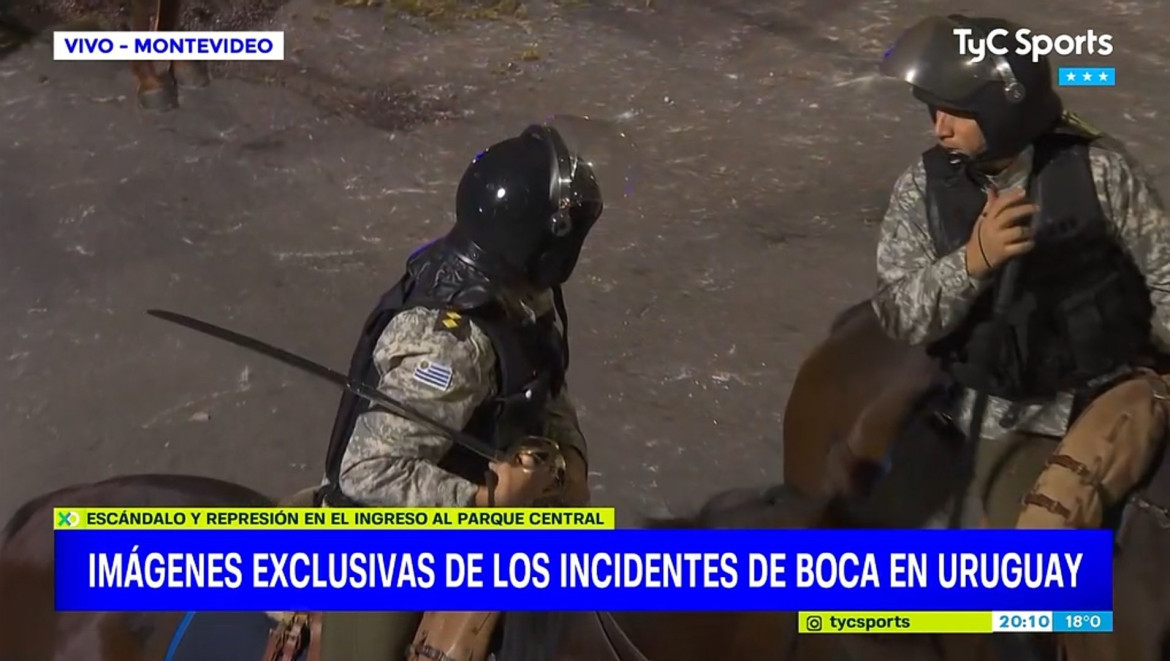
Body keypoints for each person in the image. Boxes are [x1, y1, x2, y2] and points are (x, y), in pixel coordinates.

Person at [297, 123, 602, 661]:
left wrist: (568, 454)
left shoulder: (525, 295)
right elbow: (367, 471)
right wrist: (486, 501)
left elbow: (547, 384)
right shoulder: (451, 347)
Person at [868, 14, 1170, 531]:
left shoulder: (1097, 170)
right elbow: (898, 316)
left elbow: (1164, 275)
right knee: (1039, 556)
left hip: (1107, 393)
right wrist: (971, 263)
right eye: (935, 110)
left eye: (957, 113)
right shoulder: (924, 189)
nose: (939, 127)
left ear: (1002, 111)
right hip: (1007, 415)